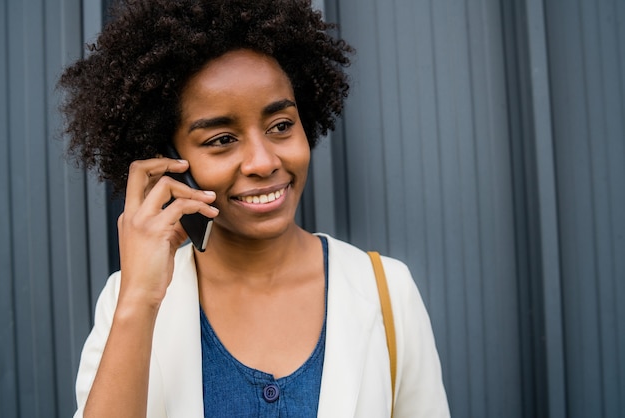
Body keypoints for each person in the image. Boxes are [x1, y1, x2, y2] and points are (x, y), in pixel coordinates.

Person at [58, 0, 450, 417]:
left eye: (281, 126)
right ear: (168, 160)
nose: (263, 163)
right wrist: (139, 301)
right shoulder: (130, 299)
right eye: (222, 139)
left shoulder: (387, 290)